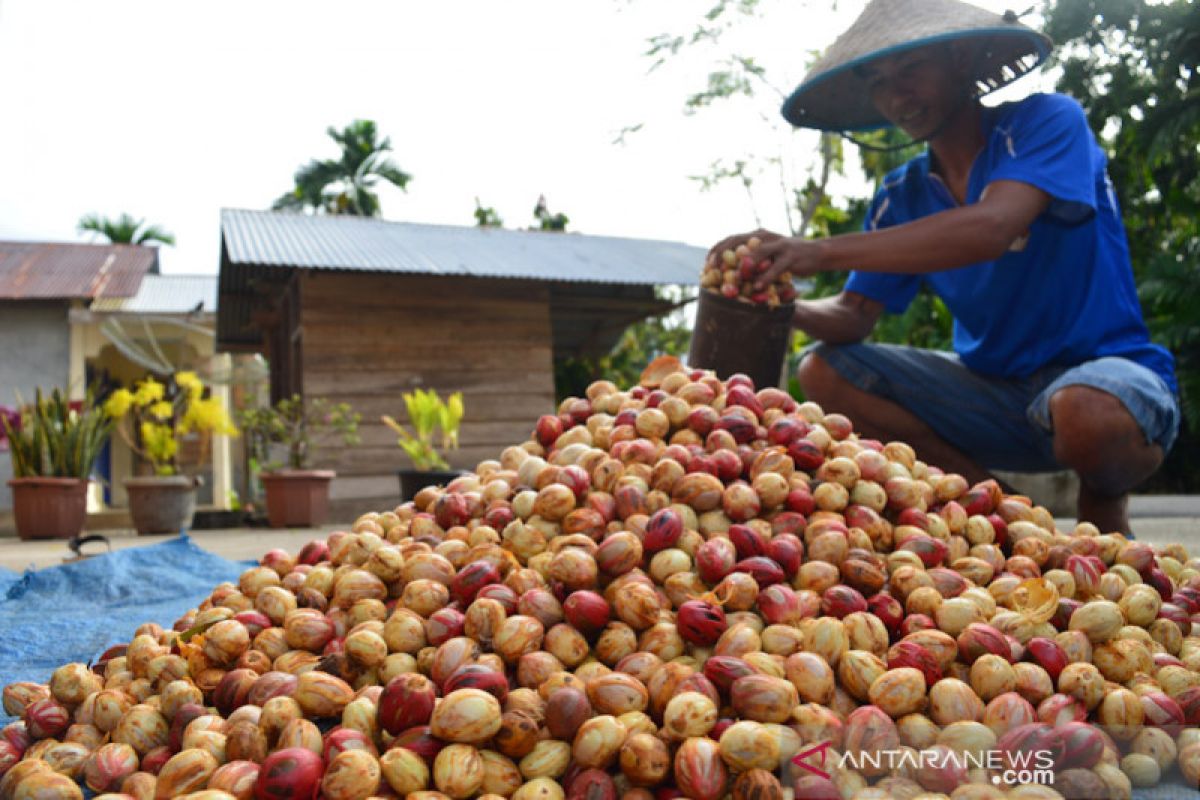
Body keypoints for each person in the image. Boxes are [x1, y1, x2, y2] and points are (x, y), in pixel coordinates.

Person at [710, 0, 1179, 535]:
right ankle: (1008, 519)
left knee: (1084, 411)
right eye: (880, 81)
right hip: (993, 394)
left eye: (912, 69)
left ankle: (1105, 504)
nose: (898, 94)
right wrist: (775, 297)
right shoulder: (900, 194)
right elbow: (852, 317)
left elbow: (992, 226)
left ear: (961, 59)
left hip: (1107, 380)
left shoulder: (1044, 122)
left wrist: (817, 250)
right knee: (821, 370)